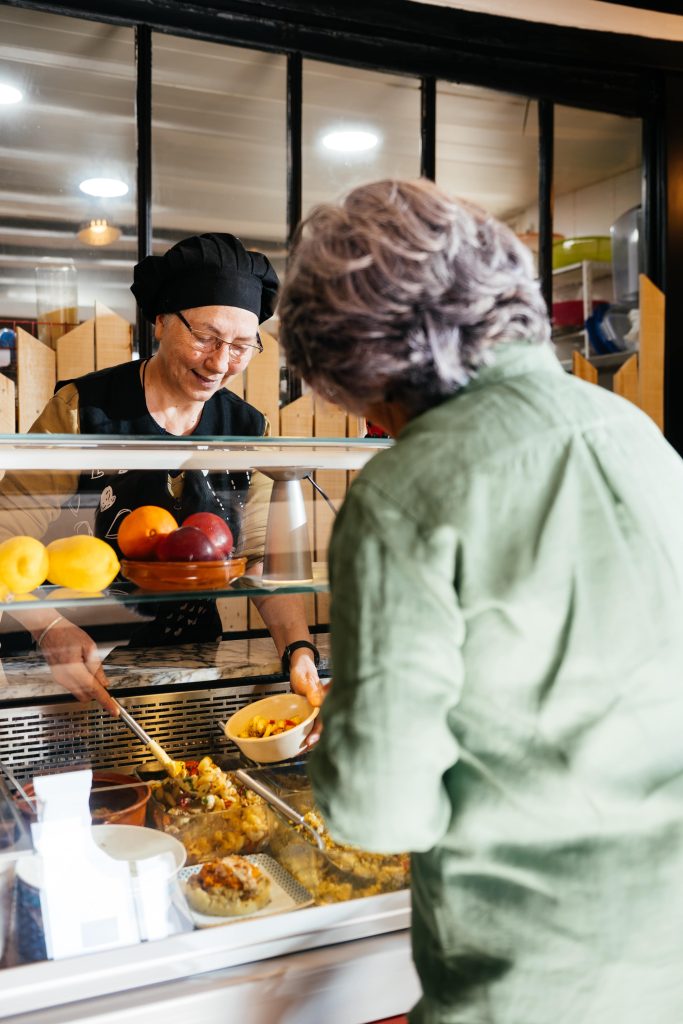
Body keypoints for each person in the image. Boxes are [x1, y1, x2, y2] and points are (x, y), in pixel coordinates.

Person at [277, 179, 683, 1023]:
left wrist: (342, 734)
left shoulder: (405, 491)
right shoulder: (635, 436)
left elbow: (380, 809)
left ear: (368, 356)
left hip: (535, 977)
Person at [0, 233, 323, 718]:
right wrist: (49, 629)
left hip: (188, 666)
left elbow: (259, 564)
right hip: (67, 666)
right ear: (160, 321)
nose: (219, 363)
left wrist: (297, 649)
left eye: (239, 346)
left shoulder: (247, 429)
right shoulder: (83, 411)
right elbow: (4, 540)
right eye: (205, 337)